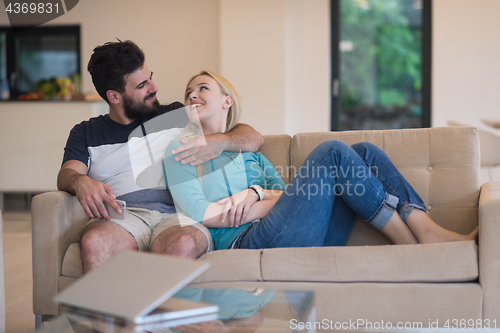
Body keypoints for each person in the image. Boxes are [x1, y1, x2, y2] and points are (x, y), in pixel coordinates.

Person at [163, 70, 478, 252]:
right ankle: (412, 239)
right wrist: (261, 203)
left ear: (226, 101)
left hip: (302, 234)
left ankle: (422, 228)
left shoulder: (250, 152)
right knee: (333, 152)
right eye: (189, 91)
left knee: (366, 152)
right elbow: (201, 212)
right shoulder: (180, 149)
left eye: (202, 88)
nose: (192, 94)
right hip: (248, 240)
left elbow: (285, 194)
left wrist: (256, 196)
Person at [57, 41, 264, 274]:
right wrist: (78, 181)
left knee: (184, 242)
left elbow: (253, 137)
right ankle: (109, 311)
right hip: (122, 216)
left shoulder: (178, 114)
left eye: (150, 77)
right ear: (114, 96)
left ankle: (162, 311)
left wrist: (220, 141)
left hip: (178, 214)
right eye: (142, 85)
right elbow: (68, 173)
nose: (154, 87)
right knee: (95, 242)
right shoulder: (86, 132)